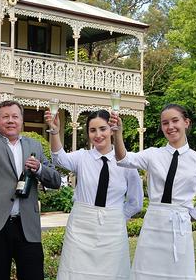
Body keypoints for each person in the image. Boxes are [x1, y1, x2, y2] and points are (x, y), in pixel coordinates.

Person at [112, 104, 196, 280]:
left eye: (175, 121)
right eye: (165, 123)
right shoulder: (153, 155)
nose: (170, 126)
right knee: (146, 273)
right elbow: (123, 159)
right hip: (153, 224)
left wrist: (182, 216)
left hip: (179, 228)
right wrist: (118, 134)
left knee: (177, 274)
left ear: (186, 123)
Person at [0, 87, 62, 280]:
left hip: (27, 225)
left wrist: (39, 169)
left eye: (15, 116)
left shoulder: (34, 145)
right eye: (5, 117)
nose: (10, 120)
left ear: (22, 120)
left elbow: (55, 180)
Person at [45, 109, 143, 280]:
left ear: (112, 129)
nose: (98, 135)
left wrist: (116, 217)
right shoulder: (82, 157)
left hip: (113, 230)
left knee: (112, 274)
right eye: (92, 130)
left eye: (102, 129)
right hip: (80, 228)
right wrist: (54, 131)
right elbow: (59, 159)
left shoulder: (126, 162)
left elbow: (136, 202)